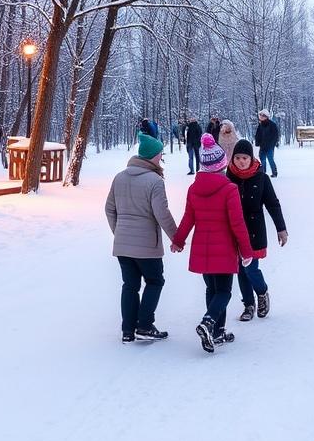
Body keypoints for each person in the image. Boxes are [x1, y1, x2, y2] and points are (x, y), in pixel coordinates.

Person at [171, 134, 254, 353]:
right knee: (224, 292)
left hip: (203, 248)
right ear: (222, 165)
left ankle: (217, 332)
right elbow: (238, 224)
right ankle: (209, 322)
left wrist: (179, 240)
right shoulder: (229, 189)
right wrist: (246, 251)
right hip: (224, 249)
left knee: (212, 289)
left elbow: (188, 218)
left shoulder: (193, 188)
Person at [105, 132, 179, 344]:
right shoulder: (154, 180)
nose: (161, 157)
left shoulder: (119, 177)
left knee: (130, 286)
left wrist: (119, 232)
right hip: (147, 246)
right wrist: (176, 237)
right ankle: (145, 325)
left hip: (123, 246)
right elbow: (161, 213)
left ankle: (128, 330)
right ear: (151, 156)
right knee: (155, 281)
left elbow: (109, 209)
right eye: (160, 154)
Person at [226, 139, 287, 322]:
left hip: (253, 230)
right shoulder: (228, 177)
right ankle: (248, 305)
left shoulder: (261, 177)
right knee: (239, 268)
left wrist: (281, 228)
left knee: (250, 267)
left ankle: (261, 292)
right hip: (233, 231)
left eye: (244, 157)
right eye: (237, 158)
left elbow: (273, 204)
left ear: (250, 158)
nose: (241, 161)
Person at [255, 109, 280, 177]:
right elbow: (258, 135)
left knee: (270, 159)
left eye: (263, 115)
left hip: (269, 146)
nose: (261, 117)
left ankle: (274, 172)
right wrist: (257, 142)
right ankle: (263, 173)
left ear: (267, 116)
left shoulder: (272, 125)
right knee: (262, 160)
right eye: (260, 115)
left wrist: (272, 144)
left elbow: (275, 135)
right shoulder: (260, 125)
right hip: (262, 146)